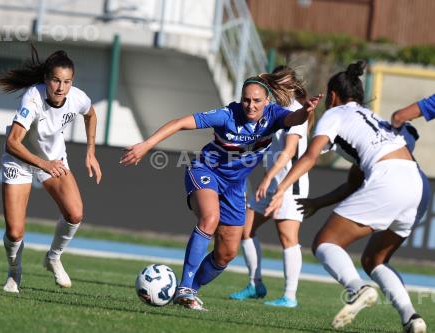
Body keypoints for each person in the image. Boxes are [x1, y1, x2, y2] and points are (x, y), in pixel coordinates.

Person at [121, 69, 322, 311]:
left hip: (235, 187)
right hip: (206, 171)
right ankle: (184, 286)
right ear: (240, 99)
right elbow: (180, 123)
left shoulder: (274, 115)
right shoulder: (226, 115)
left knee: (226, 254)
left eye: (257, 101)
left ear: (266, 102)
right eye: (246, 100)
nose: (250, 105)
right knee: (210, 218)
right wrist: (146, 145)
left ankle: (189, 291)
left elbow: (294, 120)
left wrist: (305, 111)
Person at [266, 61, 429, 333]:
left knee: (325, 243)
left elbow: (309, 156)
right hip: (417, 184)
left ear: (332, 96)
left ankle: (357, 290)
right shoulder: (372, 119)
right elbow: (354, 183)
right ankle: (411, 317)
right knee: (374, 260)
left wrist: (281, 188)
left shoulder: (335, 114)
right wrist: (318, 203)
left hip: (388, 178)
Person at [0, 46, 102, 293]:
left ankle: (53, 257)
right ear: (46, 79)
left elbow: (91, 114)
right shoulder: (32, 98)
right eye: (55, 80)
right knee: (14, 232)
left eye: (66, 82)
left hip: (53, 159)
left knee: (75, 214)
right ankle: (14, 272)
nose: (60, 87)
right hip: (21, 160)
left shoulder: (77, 97)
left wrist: (90, 152)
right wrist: (44, 164)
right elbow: (12, 143)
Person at [229, 66, 313, 309]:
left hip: (291, 184)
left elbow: (288, 152)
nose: (281, 88)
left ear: (293, 87)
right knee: (245, 228)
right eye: (278, 84)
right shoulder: (274, 110)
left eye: (285, 84)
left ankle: (290, 295)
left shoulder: (297, 111)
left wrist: (267, 180)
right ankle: (255, 285)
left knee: (287, 237)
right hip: (273, 181)